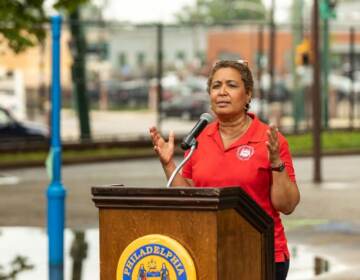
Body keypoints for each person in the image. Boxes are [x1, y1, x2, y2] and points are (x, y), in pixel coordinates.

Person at [149, 60, 300, 280]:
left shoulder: (270, 140)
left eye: (231, 85)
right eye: (216, 86)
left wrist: (276, 162)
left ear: (248, 95)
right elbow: (190, 195)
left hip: (261, 253)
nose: (222, 92)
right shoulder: (201, 138)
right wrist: (169, 164)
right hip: (207, 250)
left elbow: (287, 205)